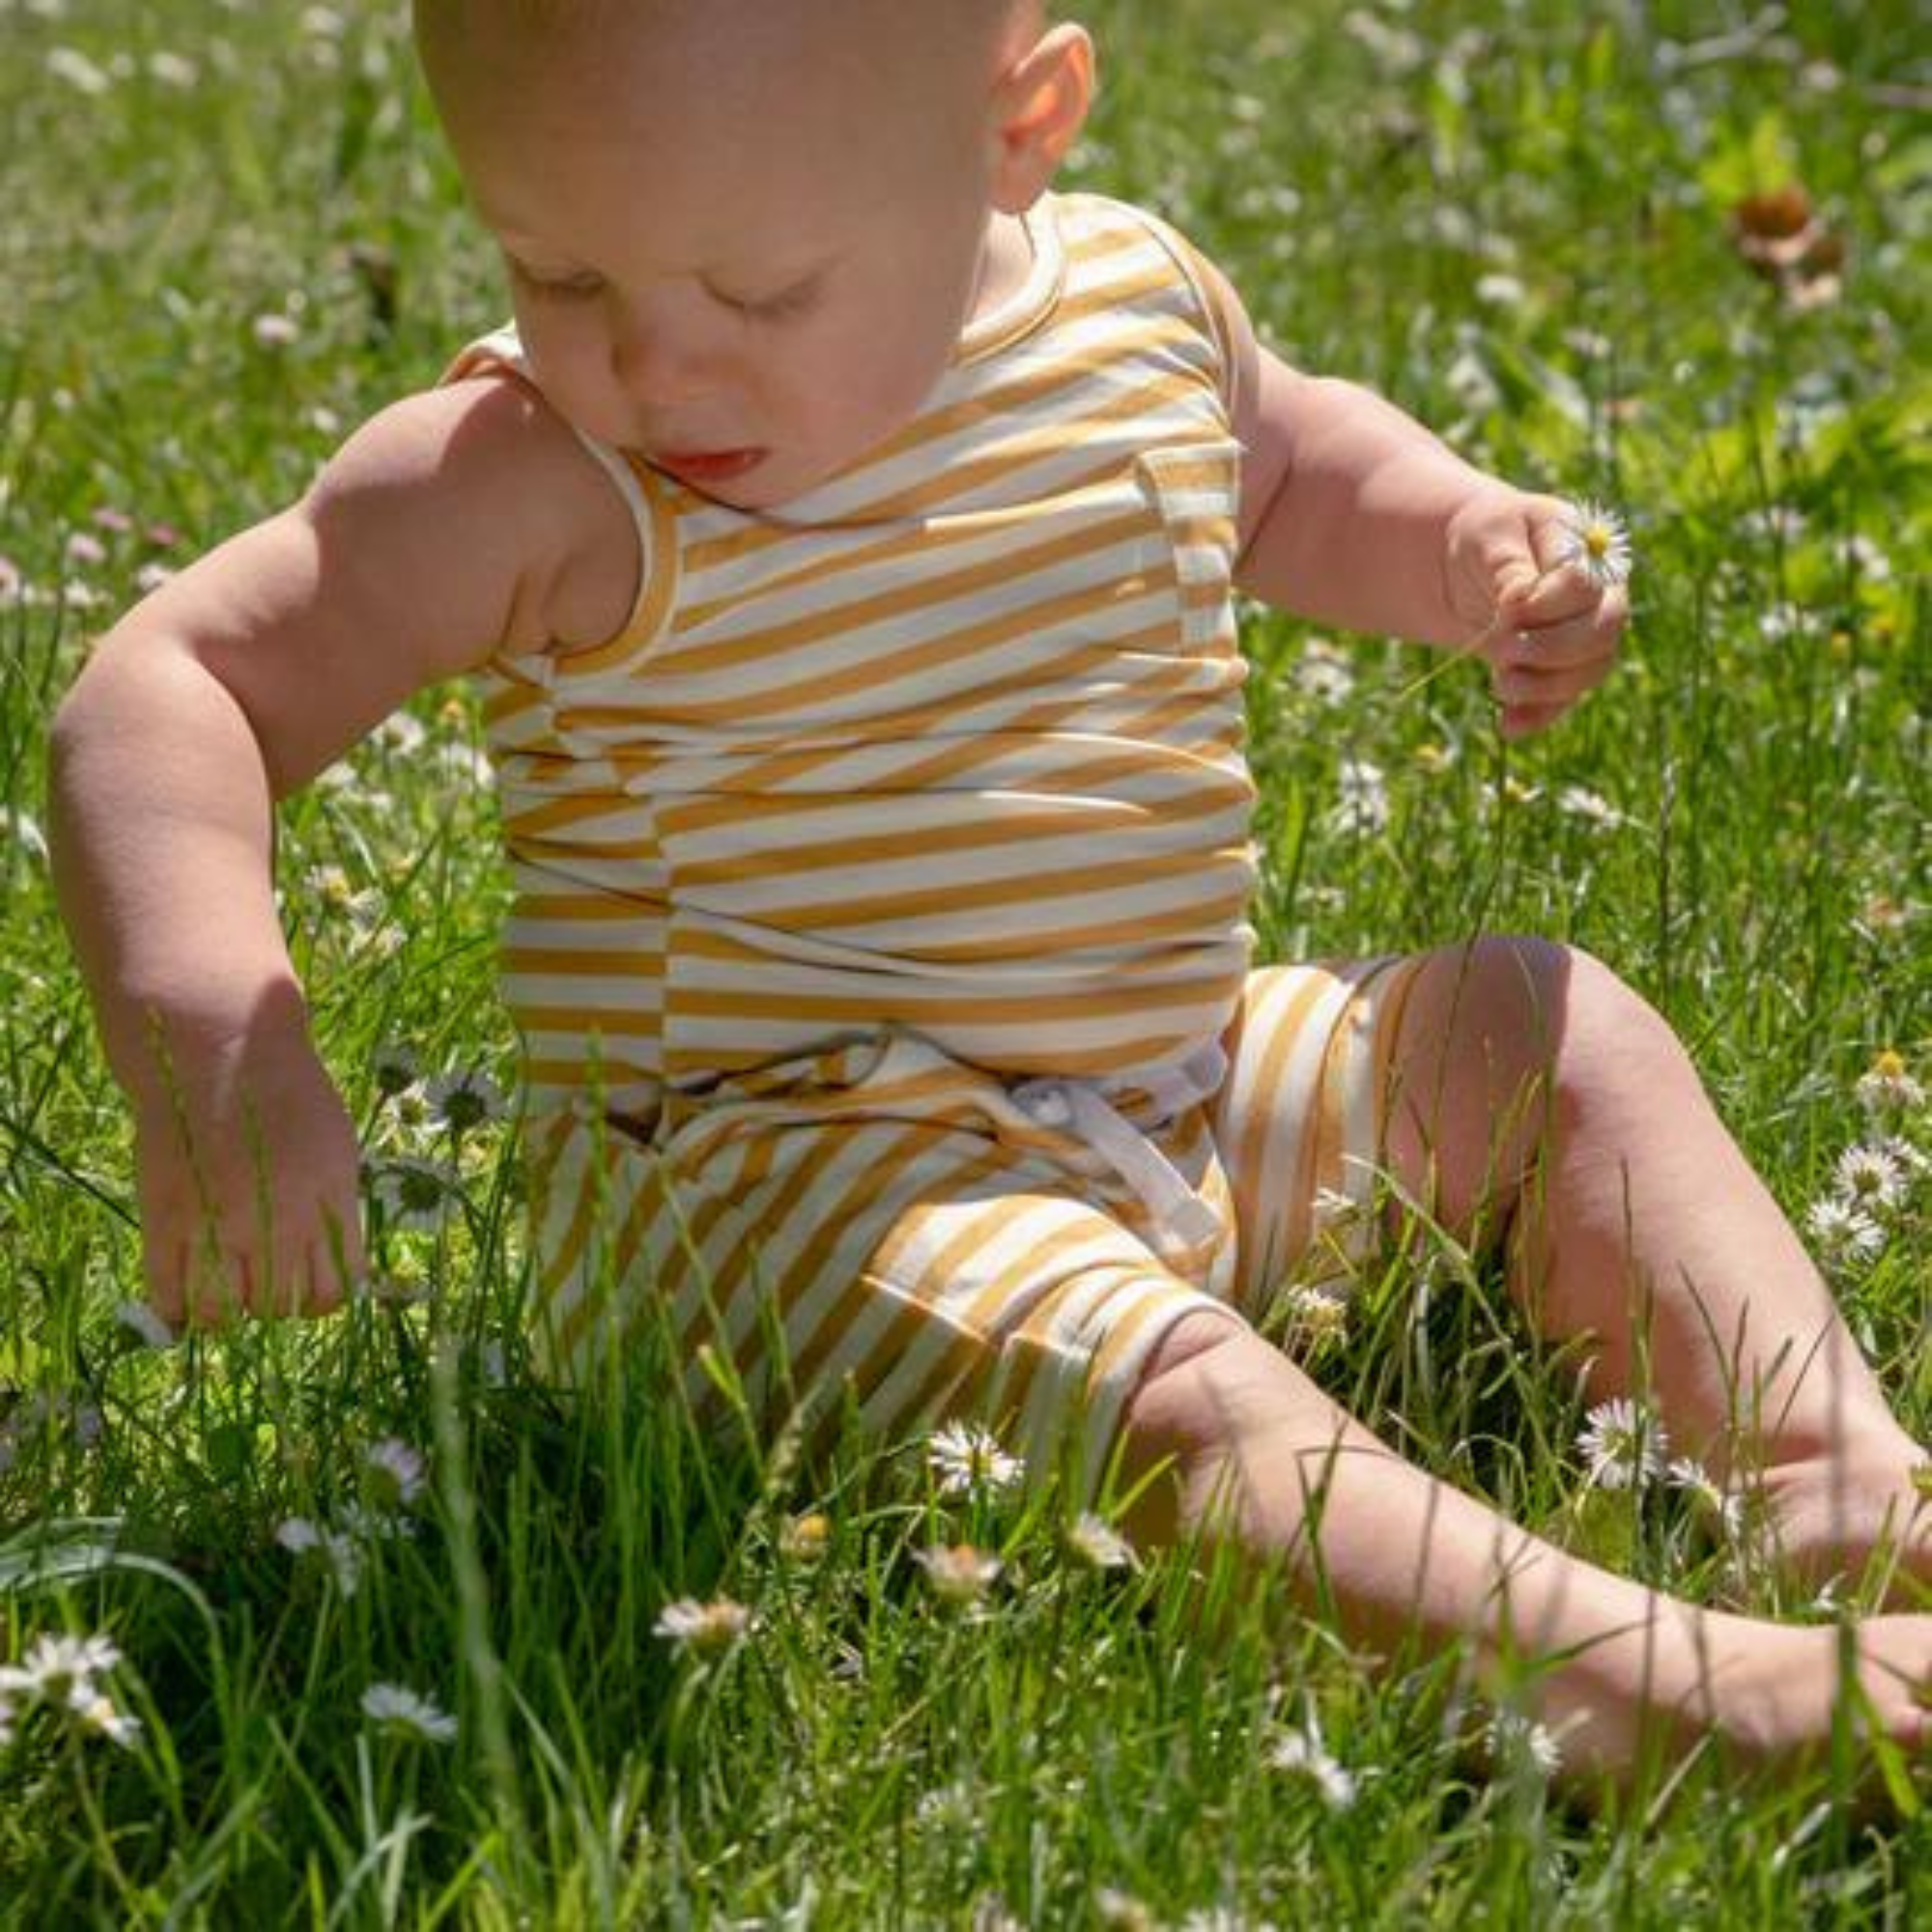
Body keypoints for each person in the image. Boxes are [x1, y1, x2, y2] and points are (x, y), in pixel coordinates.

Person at [48, 0, 1929, 1791]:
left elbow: (1288, 471)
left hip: (1171, 1095)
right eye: (560, 271)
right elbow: (175, 683)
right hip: (778, 1201)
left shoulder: (1137, 308)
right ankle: (1642, 1696)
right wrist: (216, 1035)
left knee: (1537, 1024)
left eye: (762, 289)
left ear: (1016, 129)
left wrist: (1460, 541)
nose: (654, 365)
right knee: (1190, 1410)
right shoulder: (539, 476)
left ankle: (1825, 1479)